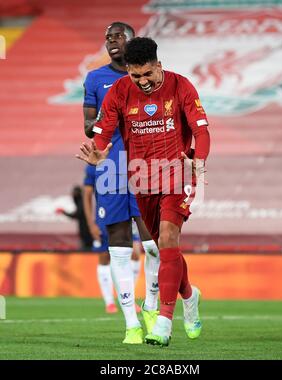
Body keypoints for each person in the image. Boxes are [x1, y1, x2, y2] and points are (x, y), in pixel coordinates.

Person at [76, 37, 210, 347]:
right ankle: (190, 296)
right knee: (165, 248)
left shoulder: (181, 86)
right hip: (142, 178)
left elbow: (202, 130)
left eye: (148, 74)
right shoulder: (121, 91)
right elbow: (103, 131)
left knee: (167, 238)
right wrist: (98, 152)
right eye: (136, 76)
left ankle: (164, 321)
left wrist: (198, 160)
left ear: (159, 66)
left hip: (177, 171)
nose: (143, 82)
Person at [82, 23, 160, 344]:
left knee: (153, 244)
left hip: (148, 162)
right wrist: (105, 116)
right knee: (118, 245)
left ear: (132, 41)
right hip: (111, 164)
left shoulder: (147, 76)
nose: (111, 42)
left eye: (117, 37)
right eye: (107, 39)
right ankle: (131, 324)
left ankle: (152, 306)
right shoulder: (95, 79)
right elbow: (88, 126)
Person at [83, 163, 142, 314]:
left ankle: (128, 298)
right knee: (104, 257)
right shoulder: (96, 162)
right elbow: (87, 193)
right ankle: (109, 302)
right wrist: (91, 224)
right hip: (105, 215)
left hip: (129, 214)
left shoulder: (130, 156)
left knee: (135, 254)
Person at [56, 185, 93, 251]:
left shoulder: (82, 202)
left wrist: (64, 212)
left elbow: (77, 214)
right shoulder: (79, 201)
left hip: (86, 230)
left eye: (74, 193)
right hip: (84, 229)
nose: (73, 194)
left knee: (87, 245)